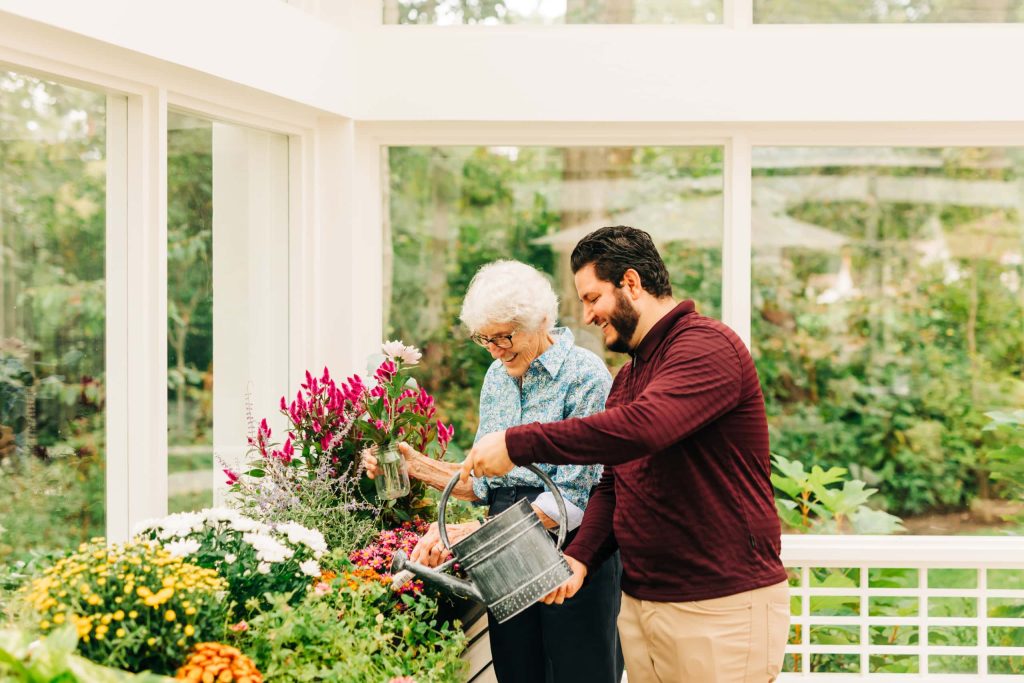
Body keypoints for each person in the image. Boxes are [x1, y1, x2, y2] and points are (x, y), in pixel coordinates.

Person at [461, 226, 791, 683]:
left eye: (593, 297)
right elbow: (614, 482)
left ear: (631, 283)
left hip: (717, 608)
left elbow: (643, 430)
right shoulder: (631, 378)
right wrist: (580, 557)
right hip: (644, 604)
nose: (587, 315)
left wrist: (520, 443)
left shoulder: (706, 347)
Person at [364, 259, 624, 683]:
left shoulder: (584, 374)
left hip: (572, 547)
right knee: (517, 671)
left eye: (505, 336)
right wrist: (415, 467)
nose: (495, 349)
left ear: (542, 320)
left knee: (579, 672)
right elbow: (486, 485)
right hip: (505, 549)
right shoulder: (496, 376)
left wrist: (480, 535)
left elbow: (574, 497)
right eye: (484, 339)